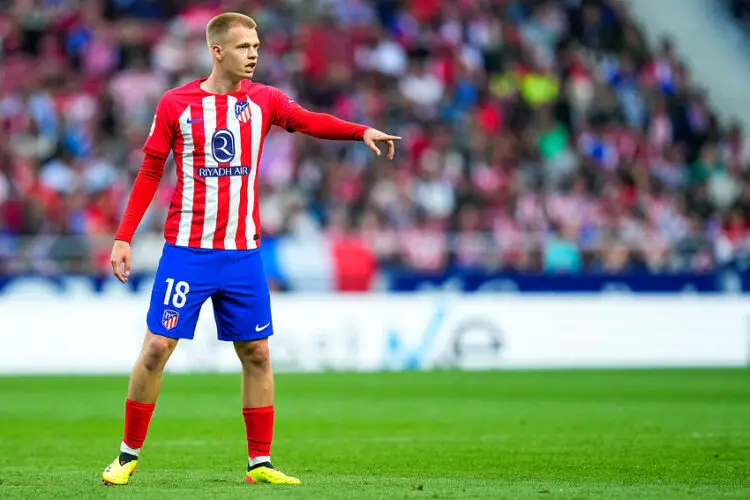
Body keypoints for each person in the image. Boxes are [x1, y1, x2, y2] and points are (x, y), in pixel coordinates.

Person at [102, 12, 400, 486]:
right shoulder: (176, 103)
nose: (255, 54)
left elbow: (309, 121)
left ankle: (259, 463)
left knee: (257, 353)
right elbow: (150, 171)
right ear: (217, 51)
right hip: (187, 252)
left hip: (243, 255)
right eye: (244, 47)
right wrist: (123, 235)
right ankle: (127, 454)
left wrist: (358, 130)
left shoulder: (265, 100)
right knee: (157, 346)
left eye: (257, 45)